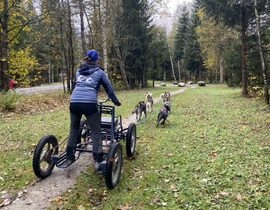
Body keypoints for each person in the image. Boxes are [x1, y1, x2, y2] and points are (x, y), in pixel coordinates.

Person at [61, 49, 121, 170]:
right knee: (96, 130)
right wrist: (116, 101)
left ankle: (69, 156)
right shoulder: (99, 72)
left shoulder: (79, 71)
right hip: (89, 104)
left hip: (74, 102)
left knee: (73, 129)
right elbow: (109, 88)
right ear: (96, 59)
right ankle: (98, 159)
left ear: (86, 58)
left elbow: (75, 86)